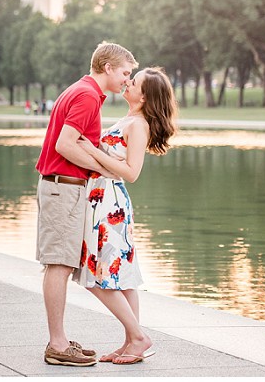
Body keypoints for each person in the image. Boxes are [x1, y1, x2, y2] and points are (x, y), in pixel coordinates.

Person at [35, 41, 137, 367]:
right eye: (125, 72)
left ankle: (60, 340)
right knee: (59, 264)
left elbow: (72, 142)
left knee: (61, 263)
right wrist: (102, 168)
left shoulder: (82, 91)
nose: (126, 79)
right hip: (63, 188)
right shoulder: (87, 95)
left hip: (65, 188)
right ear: (107, 68)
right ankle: (57, 344)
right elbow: (66, 144)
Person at [72, 67, 178, 365]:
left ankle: (139, 337)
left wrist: (93, 152)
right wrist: (95, 152)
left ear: (144, 96)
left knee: (96, 276)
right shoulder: (129, 119)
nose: (128, 82)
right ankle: (132, 340)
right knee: (122, 278)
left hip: (110, 201)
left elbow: (131, 173)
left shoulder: (139, 125)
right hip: (100, 197)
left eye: (135, 81)